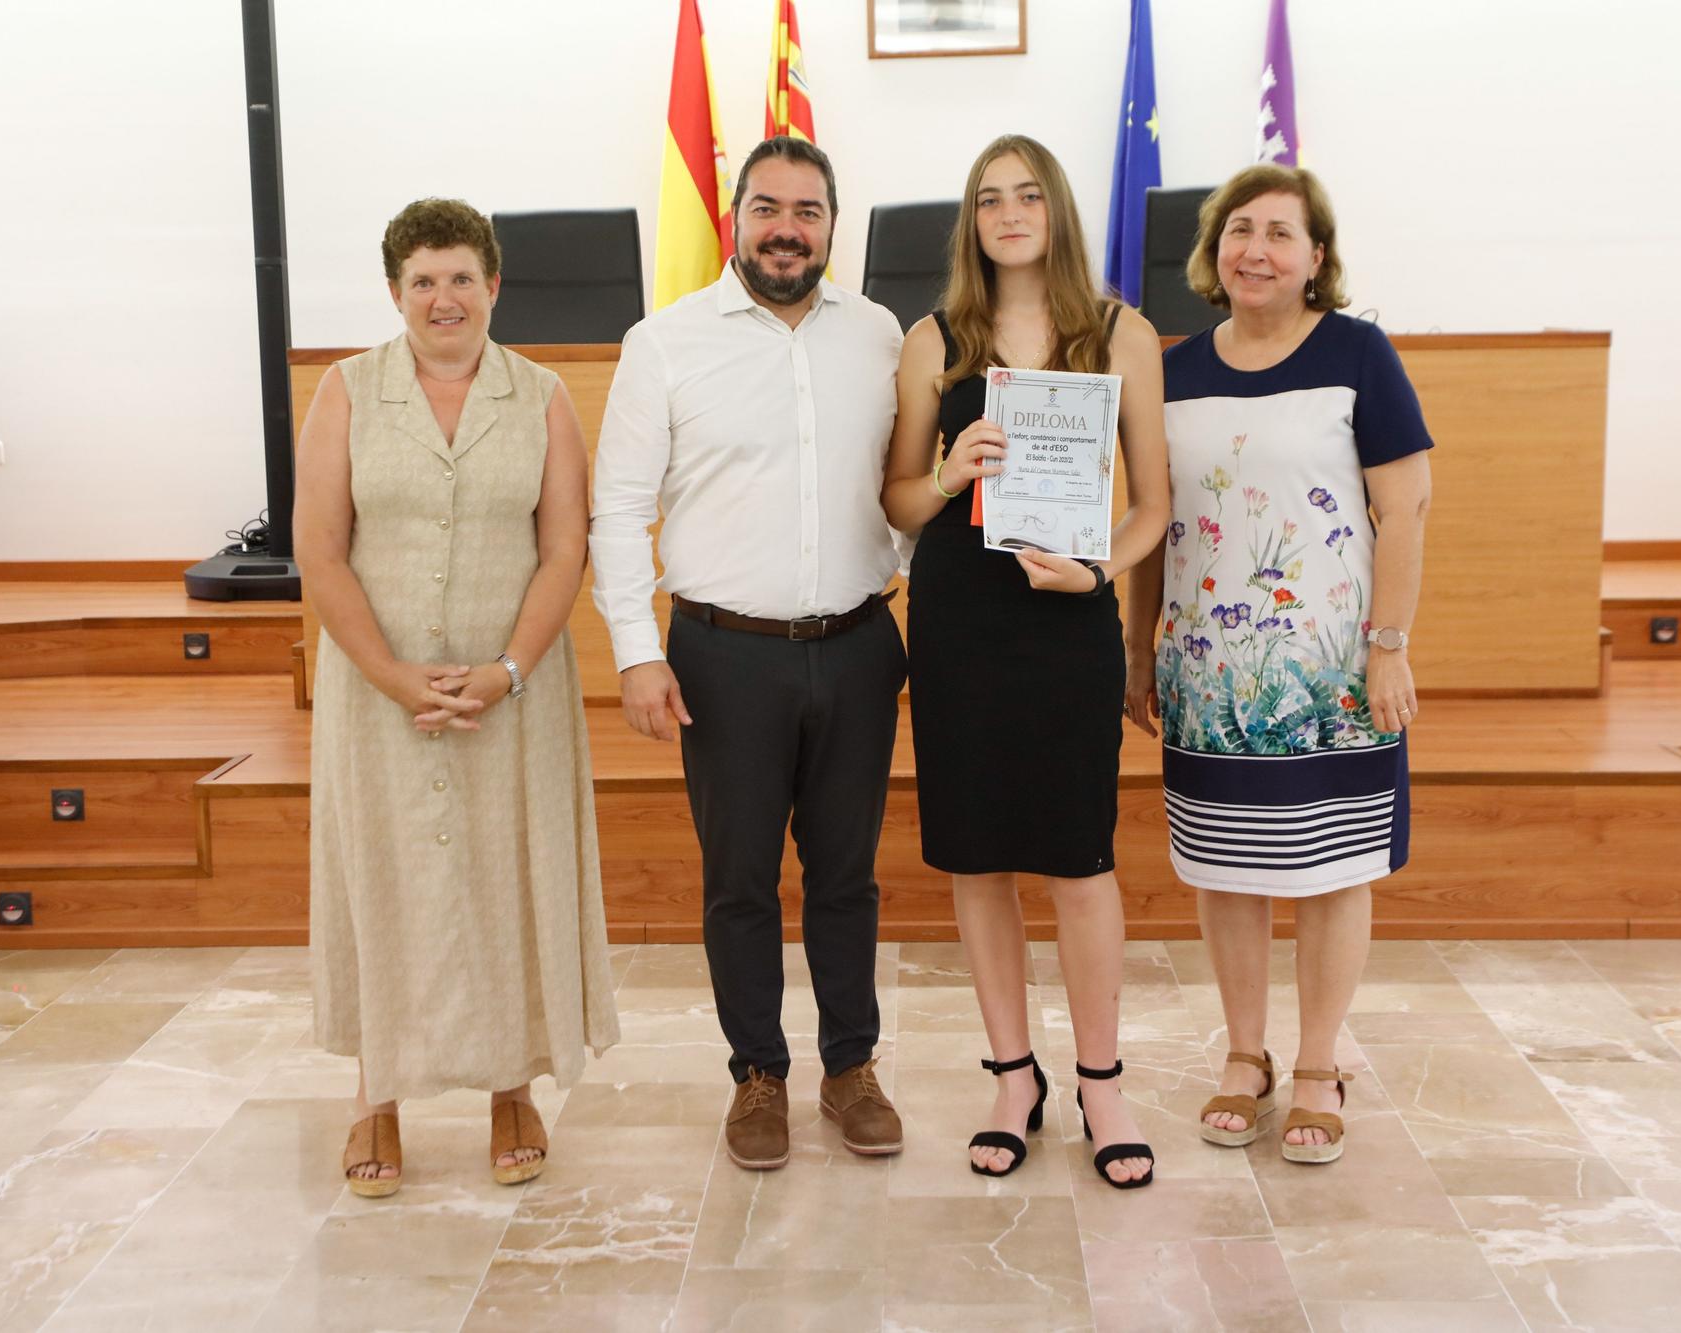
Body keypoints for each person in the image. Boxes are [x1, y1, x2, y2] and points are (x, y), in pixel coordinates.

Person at [590, 137, 908, 1172]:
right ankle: (758, 1076)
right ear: (736, 217)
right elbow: (620, 508)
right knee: (737, 879)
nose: (786, 228)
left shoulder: (878, 335)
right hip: (722, 657)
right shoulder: (665, 342)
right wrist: (638, 653)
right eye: (767, 207)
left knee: (846, 877)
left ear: (830, 223)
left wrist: (897, 570)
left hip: (859, 647)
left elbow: (902, 480)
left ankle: (849, 1067)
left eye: (807, 210)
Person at [296, 198, 620, 1198]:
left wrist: (508, 667)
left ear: (493, 285)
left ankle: (511, 1086)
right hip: (375, 690)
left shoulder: (544, 395)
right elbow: (319, 549)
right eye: (423, 281)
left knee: (507, 874)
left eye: (461, 277)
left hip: (511, 691)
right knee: (379, 874)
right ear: (395, 293)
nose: (444, 298)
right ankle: (373, 1095)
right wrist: (394, 676)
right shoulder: (347, 392)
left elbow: (565, 545)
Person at [1124, 164, 1433, 1165]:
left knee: (1334, 869)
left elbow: (1405, 508)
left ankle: (1316, 1062)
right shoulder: (1170, 368)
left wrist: (1388, 645)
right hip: (1210, 679)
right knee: (1225, 869)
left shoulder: (1357, 352)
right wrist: (1137, 649)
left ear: (1315, 259)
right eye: (1236, 229)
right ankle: (1243, 1054)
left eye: (1278, 233)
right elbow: (1150, 520)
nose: (1253, 248)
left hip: (1332, 675)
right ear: (1213, 250)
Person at [881, 134, 1171, 1188]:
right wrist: (948, 470)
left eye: (1027, 196)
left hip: (1065, 623)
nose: (1008, 213)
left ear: (1055, 212)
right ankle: (1014, 1075)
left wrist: (1098, 578)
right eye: (988, 198)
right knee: (974, 857)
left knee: (1077, 858)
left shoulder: (1117, 333)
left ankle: (1100, 1080)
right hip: (959, 619)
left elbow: (1153, 507)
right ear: (971, 218)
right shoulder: (932, 340)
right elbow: (898, 500)